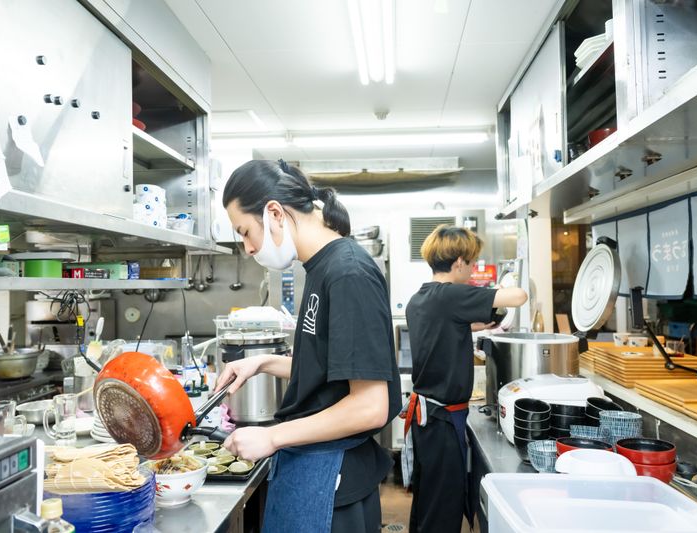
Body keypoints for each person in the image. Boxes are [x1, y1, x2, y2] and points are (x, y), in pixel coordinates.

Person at [216, 159, 401, 533]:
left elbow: (370, 406)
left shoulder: (348, 273)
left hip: (331, 477)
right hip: (315, 464)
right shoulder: (320, 267)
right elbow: (328, 364)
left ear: (274, 213)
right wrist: (263, 362)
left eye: (246, 232)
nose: (248, 248)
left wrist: (270, 436)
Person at [404, 225, 527, 533]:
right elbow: (519, 296)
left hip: (427, 419)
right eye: (471, 263)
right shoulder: (450, 295)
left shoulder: (421, 298)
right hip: (442, 421)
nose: (472, 271)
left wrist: (471, 326)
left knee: (427, 502)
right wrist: (508, 281)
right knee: (443, 510)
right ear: (458, 262)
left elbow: (442, 331)